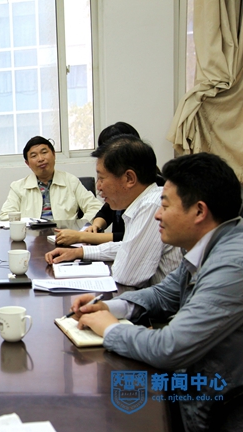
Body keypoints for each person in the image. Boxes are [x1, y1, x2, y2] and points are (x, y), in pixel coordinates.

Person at [69, 153, 243, 431]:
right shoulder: (209, 245)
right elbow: (164, 294)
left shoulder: (233, 263)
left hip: (221, 410)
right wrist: (109, 307)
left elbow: (169, 348)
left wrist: (110, 329)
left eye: (165, 205)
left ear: (199, 212)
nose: (157, 215)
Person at [45, 136, 181, 287]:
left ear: (129, 178)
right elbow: (127, 247)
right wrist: (79, 252)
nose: (98, 187)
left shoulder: (151, 205)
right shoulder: (145, 201)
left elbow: (126, 275)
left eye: (101, 178)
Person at [54, 122, 140, 246]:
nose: (99, 187)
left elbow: (129, 238)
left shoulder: (150, 193)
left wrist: (83, 236)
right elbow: (106, 211)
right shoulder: (120, 187)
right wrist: (96, 226)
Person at [0, 136, 102, 221]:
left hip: (66, 236)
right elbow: (3, 217)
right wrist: (28, 223)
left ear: (54, 154)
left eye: (44, 152)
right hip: (31, 237)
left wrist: (78, 227)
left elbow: (96, 207)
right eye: (34, 156)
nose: (40, 159)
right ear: (27, 163)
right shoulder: (18, 187)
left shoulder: (71, 181)